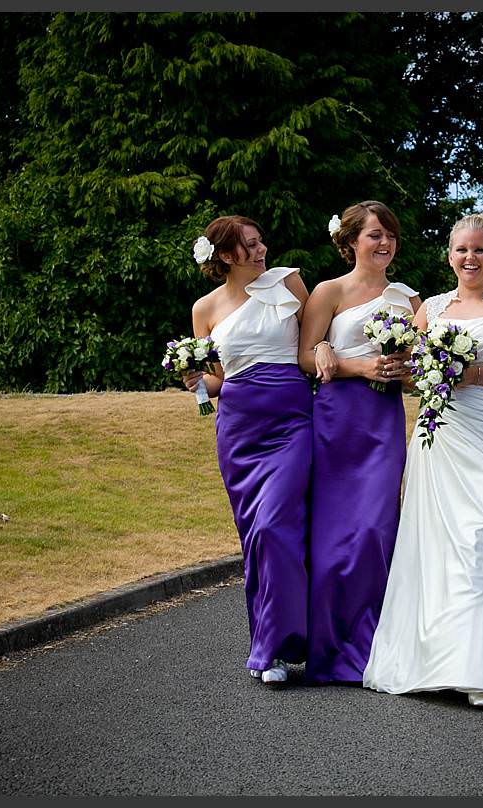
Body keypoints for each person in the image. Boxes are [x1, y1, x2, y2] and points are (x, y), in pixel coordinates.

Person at [362, 213, 483, 708]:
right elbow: (409, 373)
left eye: (480, 250)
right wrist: (407, 369)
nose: (470, 258)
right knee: (440, 548)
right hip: (441, 438)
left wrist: (480, 373)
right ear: (449, 255)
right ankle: (442, 659)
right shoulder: (434, 307)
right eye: (462, 250)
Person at [183, 214, 314, 687]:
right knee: (255, 535)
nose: (261, 252)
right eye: (249, 246)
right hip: (239, 429)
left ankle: (294, 637)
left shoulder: (290, 283)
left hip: (292, 420)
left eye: (261, 242)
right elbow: (217, 377)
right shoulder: (205, 309)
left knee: (278, 525)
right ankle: (270, 649)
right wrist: (197, 381)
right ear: (224, 256)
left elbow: (313, 345)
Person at [297, 201, 418, 685]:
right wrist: (346, 360)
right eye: (374, 235)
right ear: (349, 241)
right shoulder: (328, 292)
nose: (384, 242)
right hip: (335, 421)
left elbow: (416, 373)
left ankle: (372, 648)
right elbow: (305, 357)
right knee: (331, 538)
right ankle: (328, 650)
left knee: (374, 530)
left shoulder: (409, 301)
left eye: (389, 234)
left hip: (382, 420)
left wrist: (401, 371)